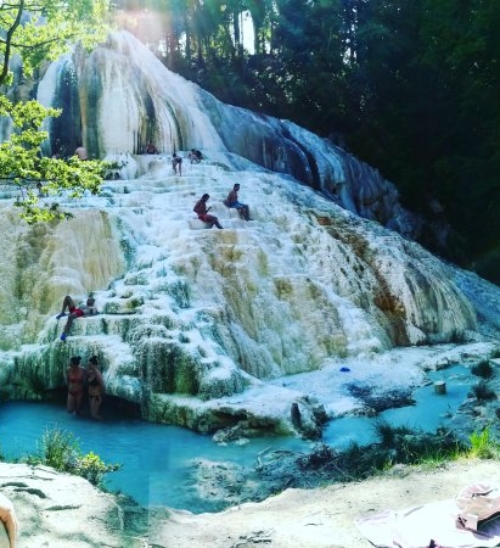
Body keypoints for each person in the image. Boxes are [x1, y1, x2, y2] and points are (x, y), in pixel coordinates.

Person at [87, 356, 105, 421]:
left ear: (94, 365)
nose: (88, 365)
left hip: (96, 397)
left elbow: (102, 385)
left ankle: (103, 425)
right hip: (91, 396)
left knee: (94, 415)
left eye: (89, 364)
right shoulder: (90, 372)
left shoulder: (97, 373)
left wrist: (100, 396)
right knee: (93, 414)